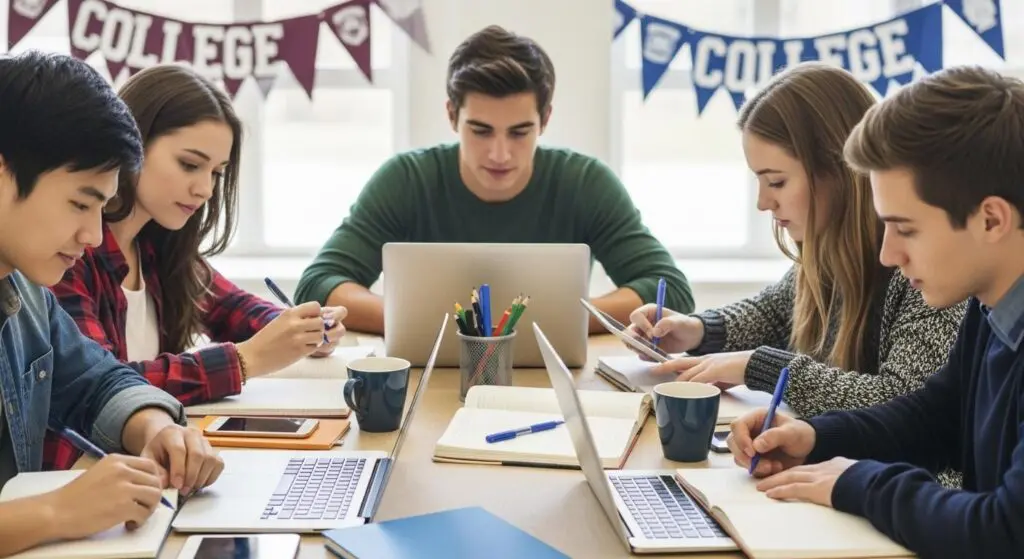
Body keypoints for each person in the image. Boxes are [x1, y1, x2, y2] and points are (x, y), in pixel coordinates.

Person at [727, 65, 1024, 558]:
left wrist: (858, 482)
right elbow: (936, 417)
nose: (888, 254)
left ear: (991, 219)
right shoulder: (991, 303)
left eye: (905, 229)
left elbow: (1003, 533)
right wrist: (814, 437)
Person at [294, 25, 692, 335]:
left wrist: (557, 323)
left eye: (519, 132)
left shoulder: (585, 182)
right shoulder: (407, 179)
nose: (500, 153)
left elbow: (670, 291)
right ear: (452, 116)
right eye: (481, 131)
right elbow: (318, 286)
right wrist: (421, 322)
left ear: (545, 120)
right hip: (425, 377)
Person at [46, 64, 347, 471]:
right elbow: (106, 384)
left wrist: (301, 328)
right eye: (190, 165)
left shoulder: (157, 247)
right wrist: (244, 361)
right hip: (88, 477)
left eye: (216, 174)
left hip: (150, 469)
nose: (205, 189)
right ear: (131, 143)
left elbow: (234, 307)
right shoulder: (66, 256)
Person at [628, 62, 967, 420]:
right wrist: (695, 330)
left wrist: (762, 368)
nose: (763, 202)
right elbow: (775, 313)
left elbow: (902, 402)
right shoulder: (828, 248)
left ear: (839, 172)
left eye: (776, 182)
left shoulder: (922, 267)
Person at [0, 50, 223, 557]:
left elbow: (97, 379)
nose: (92, 234)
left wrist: (155, 426)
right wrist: (57, 511)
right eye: (80, 203)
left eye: (103, 208)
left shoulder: (28, 293)